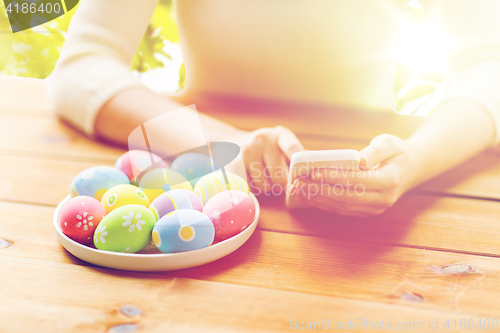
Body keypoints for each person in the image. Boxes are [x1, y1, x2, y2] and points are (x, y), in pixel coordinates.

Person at [49, 0, 500, 217]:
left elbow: (489, 67)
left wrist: (416, 159)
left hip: (383, 206)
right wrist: (229, 147)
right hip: (211, 185)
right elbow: (83, 67)